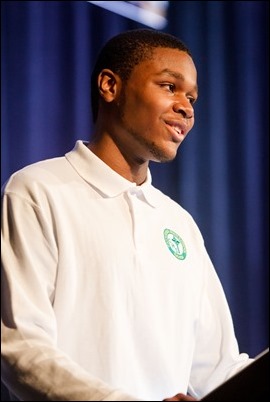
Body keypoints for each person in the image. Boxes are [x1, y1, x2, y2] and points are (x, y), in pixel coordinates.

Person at [1, 28, 253, 402]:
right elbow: (20, 347)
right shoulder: (38, 191)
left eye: (192, 97)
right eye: (169, 86)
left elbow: (217, 368)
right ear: (109, 86)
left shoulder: (178, 223)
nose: (186, 107)